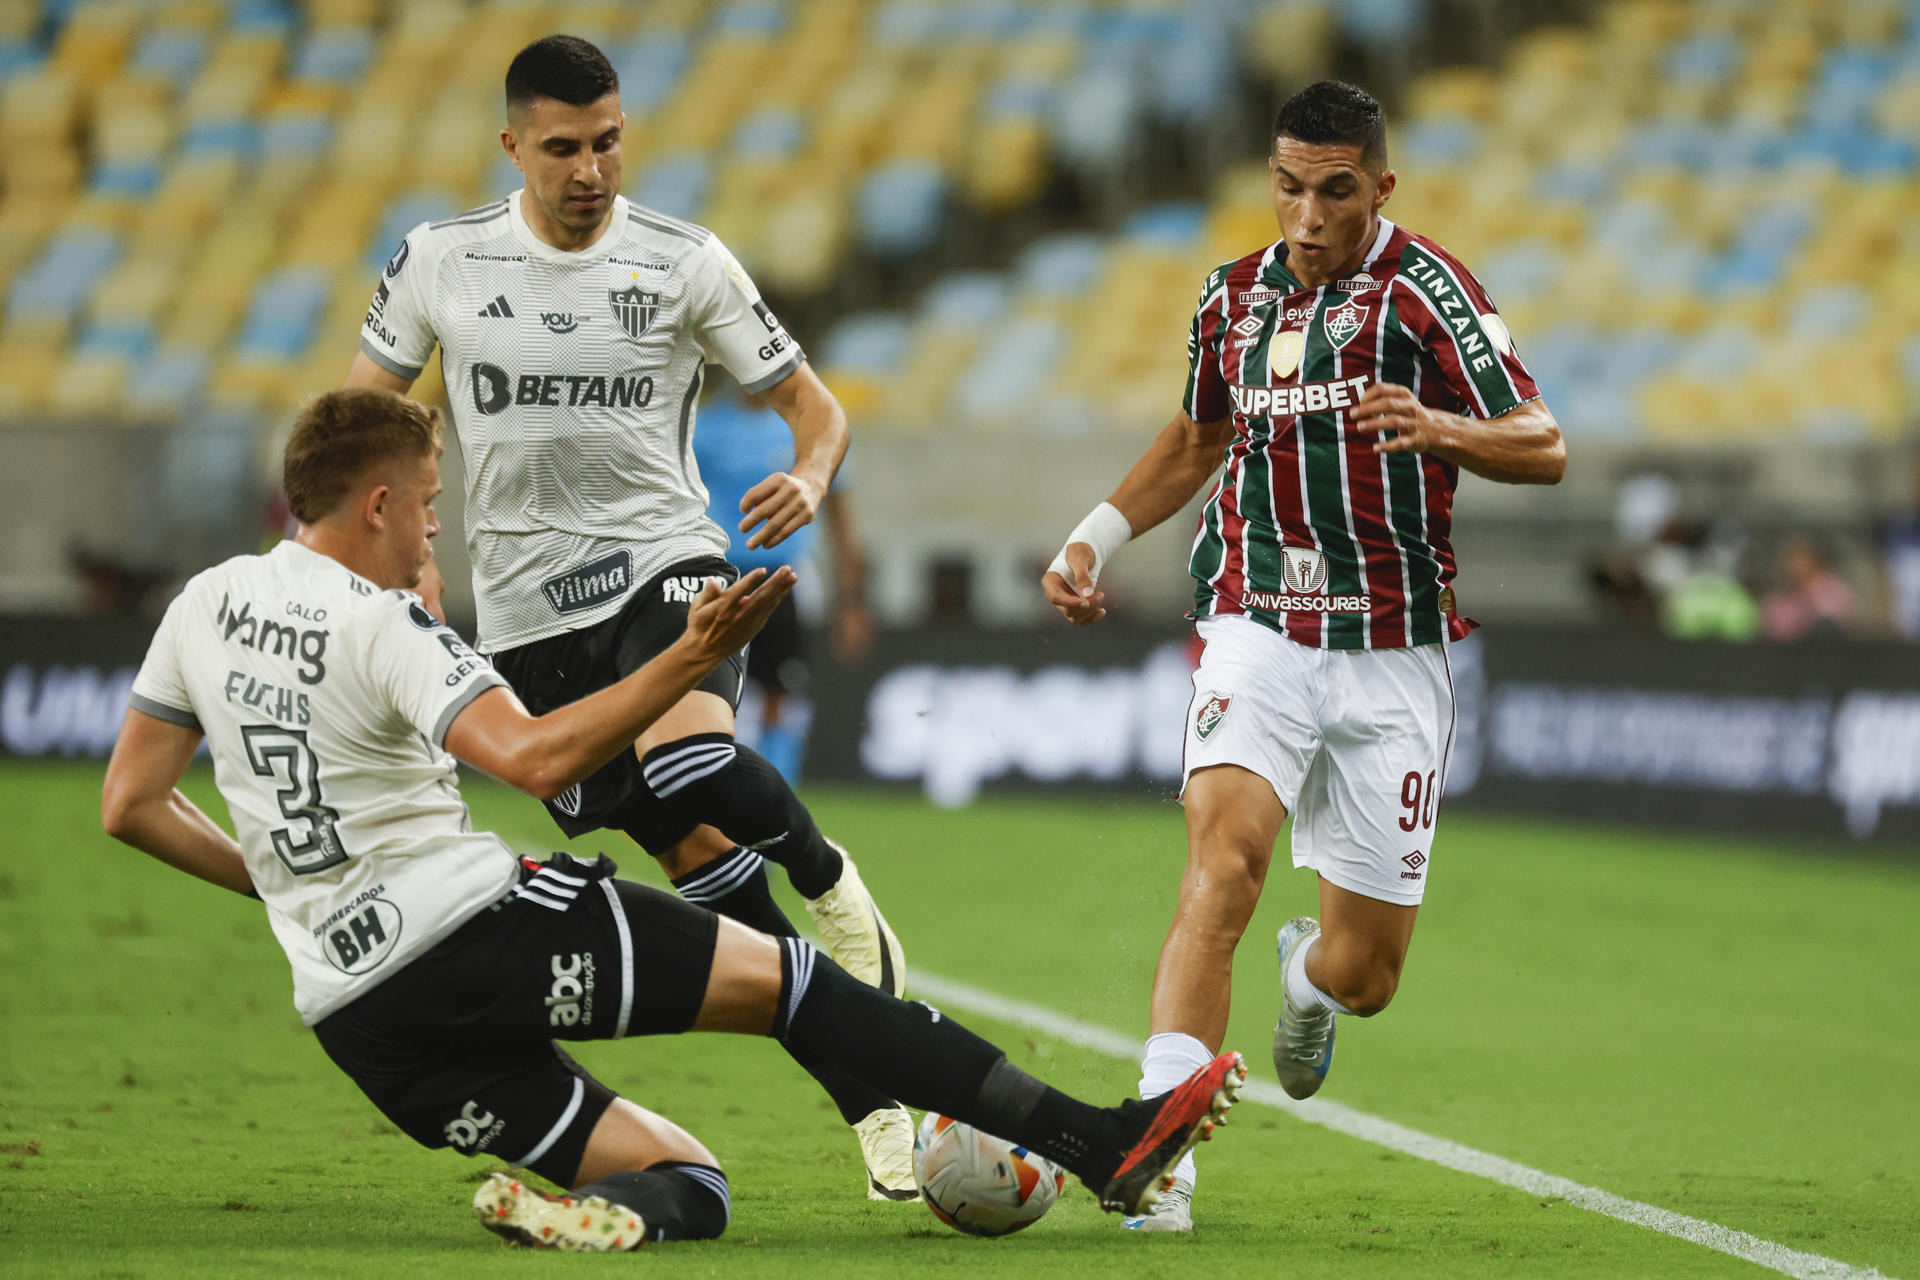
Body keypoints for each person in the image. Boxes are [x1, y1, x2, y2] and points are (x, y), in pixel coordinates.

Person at [99, 387, 1244, 1252]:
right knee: (799, 981)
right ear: (381, 502)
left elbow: (133, 804)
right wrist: (687, 660)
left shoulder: (206, 604)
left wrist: (287, 883)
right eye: (432, 508)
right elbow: (532, 753)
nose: (434, 533)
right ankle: (1105, 1142)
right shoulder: (384, 626)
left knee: (689, 1180)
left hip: (361, 1019)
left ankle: (596, 1216)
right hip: (471, 931)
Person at [340, 35, 916, 1195]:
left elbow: (819, 410)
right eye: (562, 147)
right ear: (514, 145)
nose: (590, 168)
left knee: (694, 763)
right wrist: (396, 563)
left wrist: (808, 478)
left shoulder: (685, 259)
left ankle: (833, 879)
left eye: (607, 141)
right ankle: (875, 1100)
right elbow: (359, 427)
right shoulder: (440, 261)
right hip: (522, 625)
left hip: (666, 562)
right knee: (704, 871)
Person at [1039, 82, 1565, 1230]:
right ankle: (1155, 1154)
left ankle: (1305, 978)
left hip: (1392, 648)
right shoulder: (1232, 297)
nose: (1309, 214)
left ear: (1380, 186)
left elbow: (1543, 441)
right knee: (1220, 864)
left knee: (1367, 975)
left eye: (1336, 191)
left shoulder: (1431, 292)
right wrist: (1096, 535)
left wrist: (1443, 428)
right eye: (1289, 187)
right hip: (1257, 621)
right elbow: (1197, 437)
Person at [692, 393, 873, 781]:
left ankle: (776, 783)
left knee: (782, 686)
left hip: (788, 576)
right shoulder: (704, 429)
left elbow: (841, 520)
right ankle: (713, 780)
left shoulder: (813, 431)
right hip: (721, 574)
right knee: (710, 685)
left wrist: (851, 602)